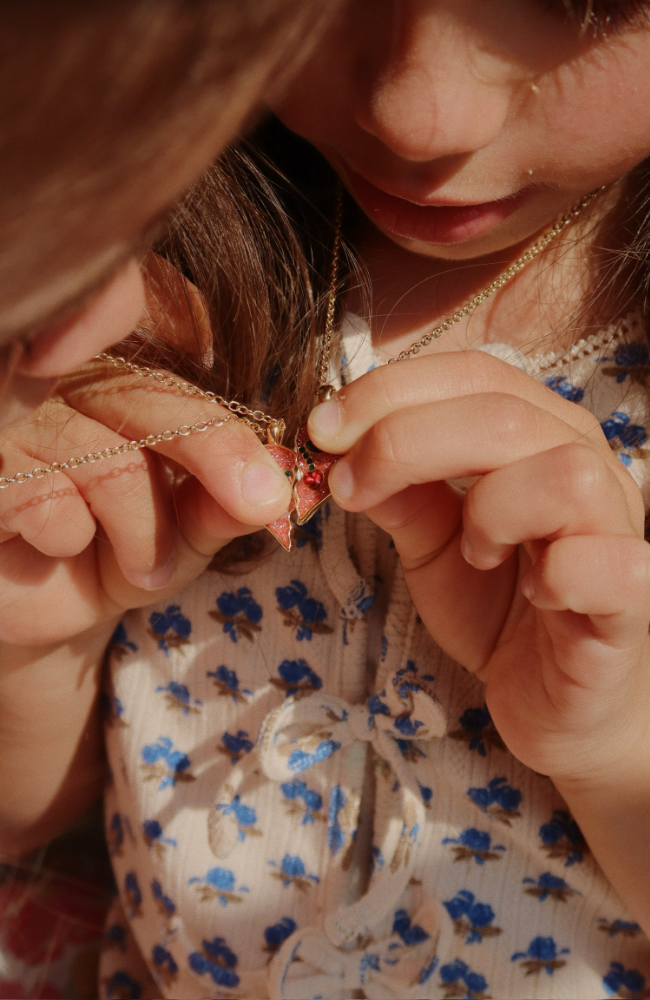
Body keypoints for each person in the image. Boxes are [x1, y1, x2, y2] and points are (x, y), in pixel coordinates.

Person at [4, 0, 650, 997]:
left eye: (570, 4)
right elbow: (44, 824)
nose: (416, 112)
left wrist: (617, 742)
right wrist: (39, 656)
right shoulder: (117, 274)